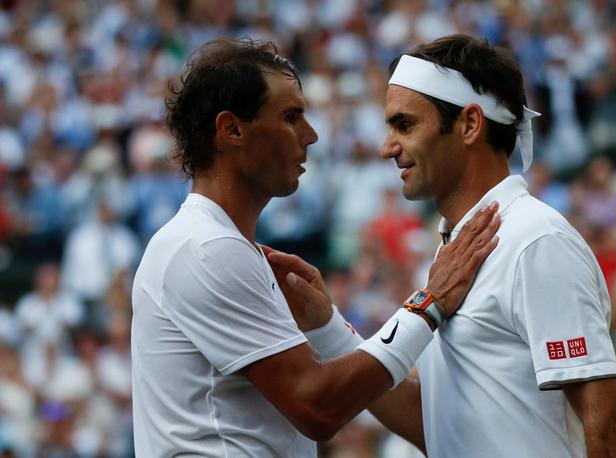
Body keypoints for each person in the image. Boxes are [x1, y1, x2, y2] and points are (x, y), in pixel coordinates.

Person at [268, 34, 616, 457]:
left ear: (469, 125)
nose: (387, 147)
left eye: (404, 125)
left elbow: (608, 424)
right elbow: (438, 427)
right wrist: (329, 327)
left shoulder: (536, 241)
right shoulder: (457, 248)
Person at [130, 38, 500, 456]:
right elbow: (317, 407)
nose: (311, 135)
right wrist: (428, 303)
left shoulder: (216, 244)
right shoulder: (206, 247)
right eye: (291, 117)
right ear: (231, 129)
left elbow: (416, 423)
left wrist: (327, 327)